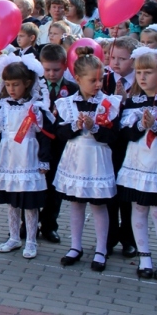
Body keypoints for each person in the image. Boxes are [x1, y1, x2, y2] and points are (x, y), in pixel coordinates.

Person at [117, 47, 157, 281]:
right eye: (138, 72)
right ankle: (145, 257)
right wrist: (140, 126)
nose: (142, 77)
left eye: (148, 72)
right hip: (138, 164)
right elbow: (124, 134)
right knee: (139, 209)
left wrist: (156, 125)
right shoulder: (133, 102)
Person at [53, 46, 120, 272]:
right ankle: (75, 246)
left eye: (100, 79)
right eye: (93, 80)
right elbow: (59, 134)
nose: (98, 84)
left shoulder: (108, 104)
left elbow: (113, 136)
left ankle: (101, 249)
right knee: (76, 203)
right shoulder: (66, 104)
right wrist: (76, 126)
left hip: (97, 158)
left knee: (98, 205)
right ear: (78, 79)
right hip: (75, 158)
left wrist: (95, 128)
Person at [0, 56, 50, 260]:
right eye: (7, 84)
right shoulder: (2, 106)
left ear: (27, 84)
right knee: (12, 202)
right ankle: (14, 237)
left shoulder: (35, 107)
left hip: (28, 158)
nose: (11, 89)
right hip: (9, 158)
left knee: (30, 203)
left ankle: (31, 240)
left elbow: (44, 135)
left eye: (16, 84)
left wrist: (43, 159)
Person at [102, 35, 139, 259]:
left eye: (122, 59)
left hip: (130, 144)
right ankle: (108, 237)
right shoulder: (104, 80)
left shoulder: (139, 82)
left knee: (127, 194)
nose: (116, 62)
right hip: (109, 144)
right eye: (113, 57)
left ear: (133, 61)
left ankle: (129, 238)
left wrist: (125, 101)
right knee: (109, 193)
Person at [37, 44, 78, 243]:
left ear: (65, 66)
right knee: (33, 184)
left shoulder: (72, 89)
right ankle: (28, 224)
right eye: (47, 70)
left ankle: (49, 225)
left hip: (61, 145)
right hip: (36, 144)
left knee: (55, 187)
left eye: (56, 69)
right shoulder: (34, 87)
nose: (52, 74)